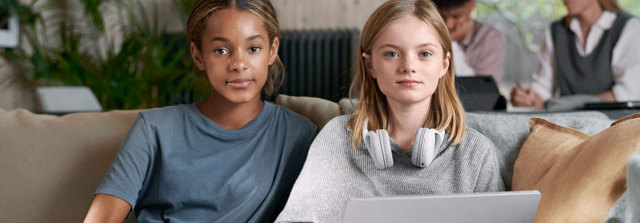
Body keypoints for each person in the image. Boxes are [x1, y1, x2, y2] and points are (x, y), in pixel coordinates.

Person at [83, 0, 317, 222]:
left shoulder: (299, 135)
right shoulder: (154, 129)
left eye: (253, 48)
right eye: (221, 51)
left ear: (272, 50)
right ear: (198, 55)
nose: (239, 63)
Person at [275, 0, 504, 222]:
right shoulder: (336, 138)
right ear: (370, 65)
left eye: (424, 54)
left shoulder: (477, 152)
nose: (408, 66)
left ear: (444, 64)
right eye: (392, 54)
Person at [511, 0, 640, 108]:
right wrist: (528, 99)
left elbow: (627, 94)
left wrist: (565, 105)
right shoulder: (556, 31)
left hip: (613, 131)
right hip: (568, 129)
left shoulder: (628, 28)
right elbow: (542, 91)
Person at [433, 0, 506, 82]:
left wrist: (450, 44)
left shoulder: (490, 38)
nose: (448, 24)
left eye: (456, 16)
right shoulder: (429, 31)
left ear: (472, 4)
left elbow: (482, 89)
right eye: (442, 16)